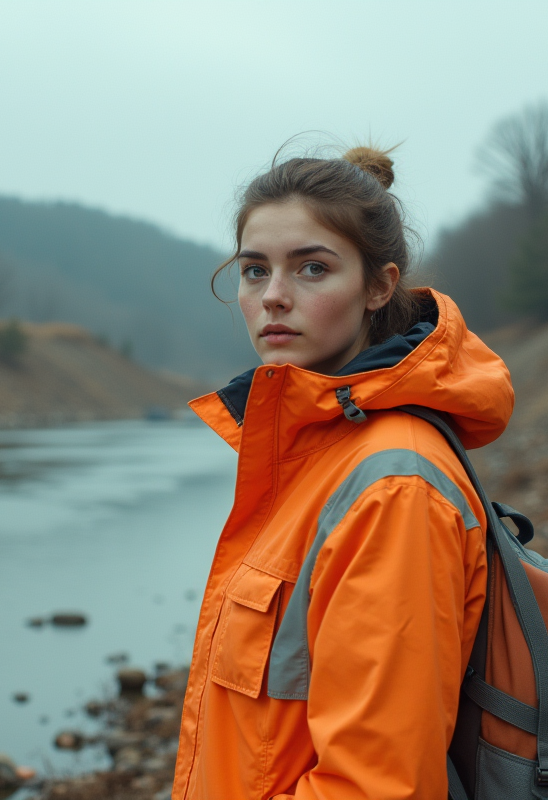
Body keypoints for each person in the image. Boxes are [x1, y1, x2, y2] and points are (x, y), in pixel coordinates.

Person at [172, 145, 515, 798]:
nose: (273, 297)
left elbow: (375, 785)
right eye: (254, 270)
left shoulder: (392, 489)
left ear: (378, 286)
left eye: (313, 268)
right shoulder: (319, 455)